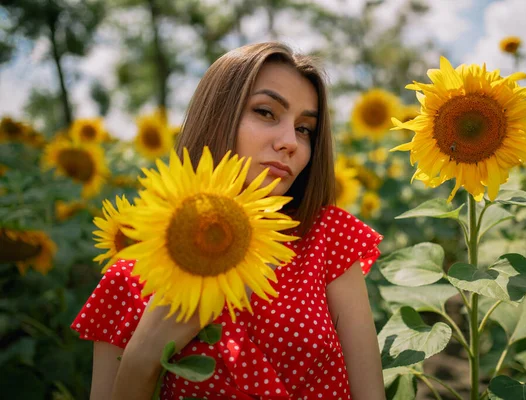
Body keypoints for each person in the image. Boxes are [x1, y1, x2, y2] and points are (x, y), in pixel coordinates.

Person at [71, 41, 385, 400]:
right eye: (266, 112)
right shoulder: (133, 272)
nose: (290, 142)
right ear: (218, 114)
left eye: (305, 129)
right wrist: (145, 355)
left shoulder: (325, 238)